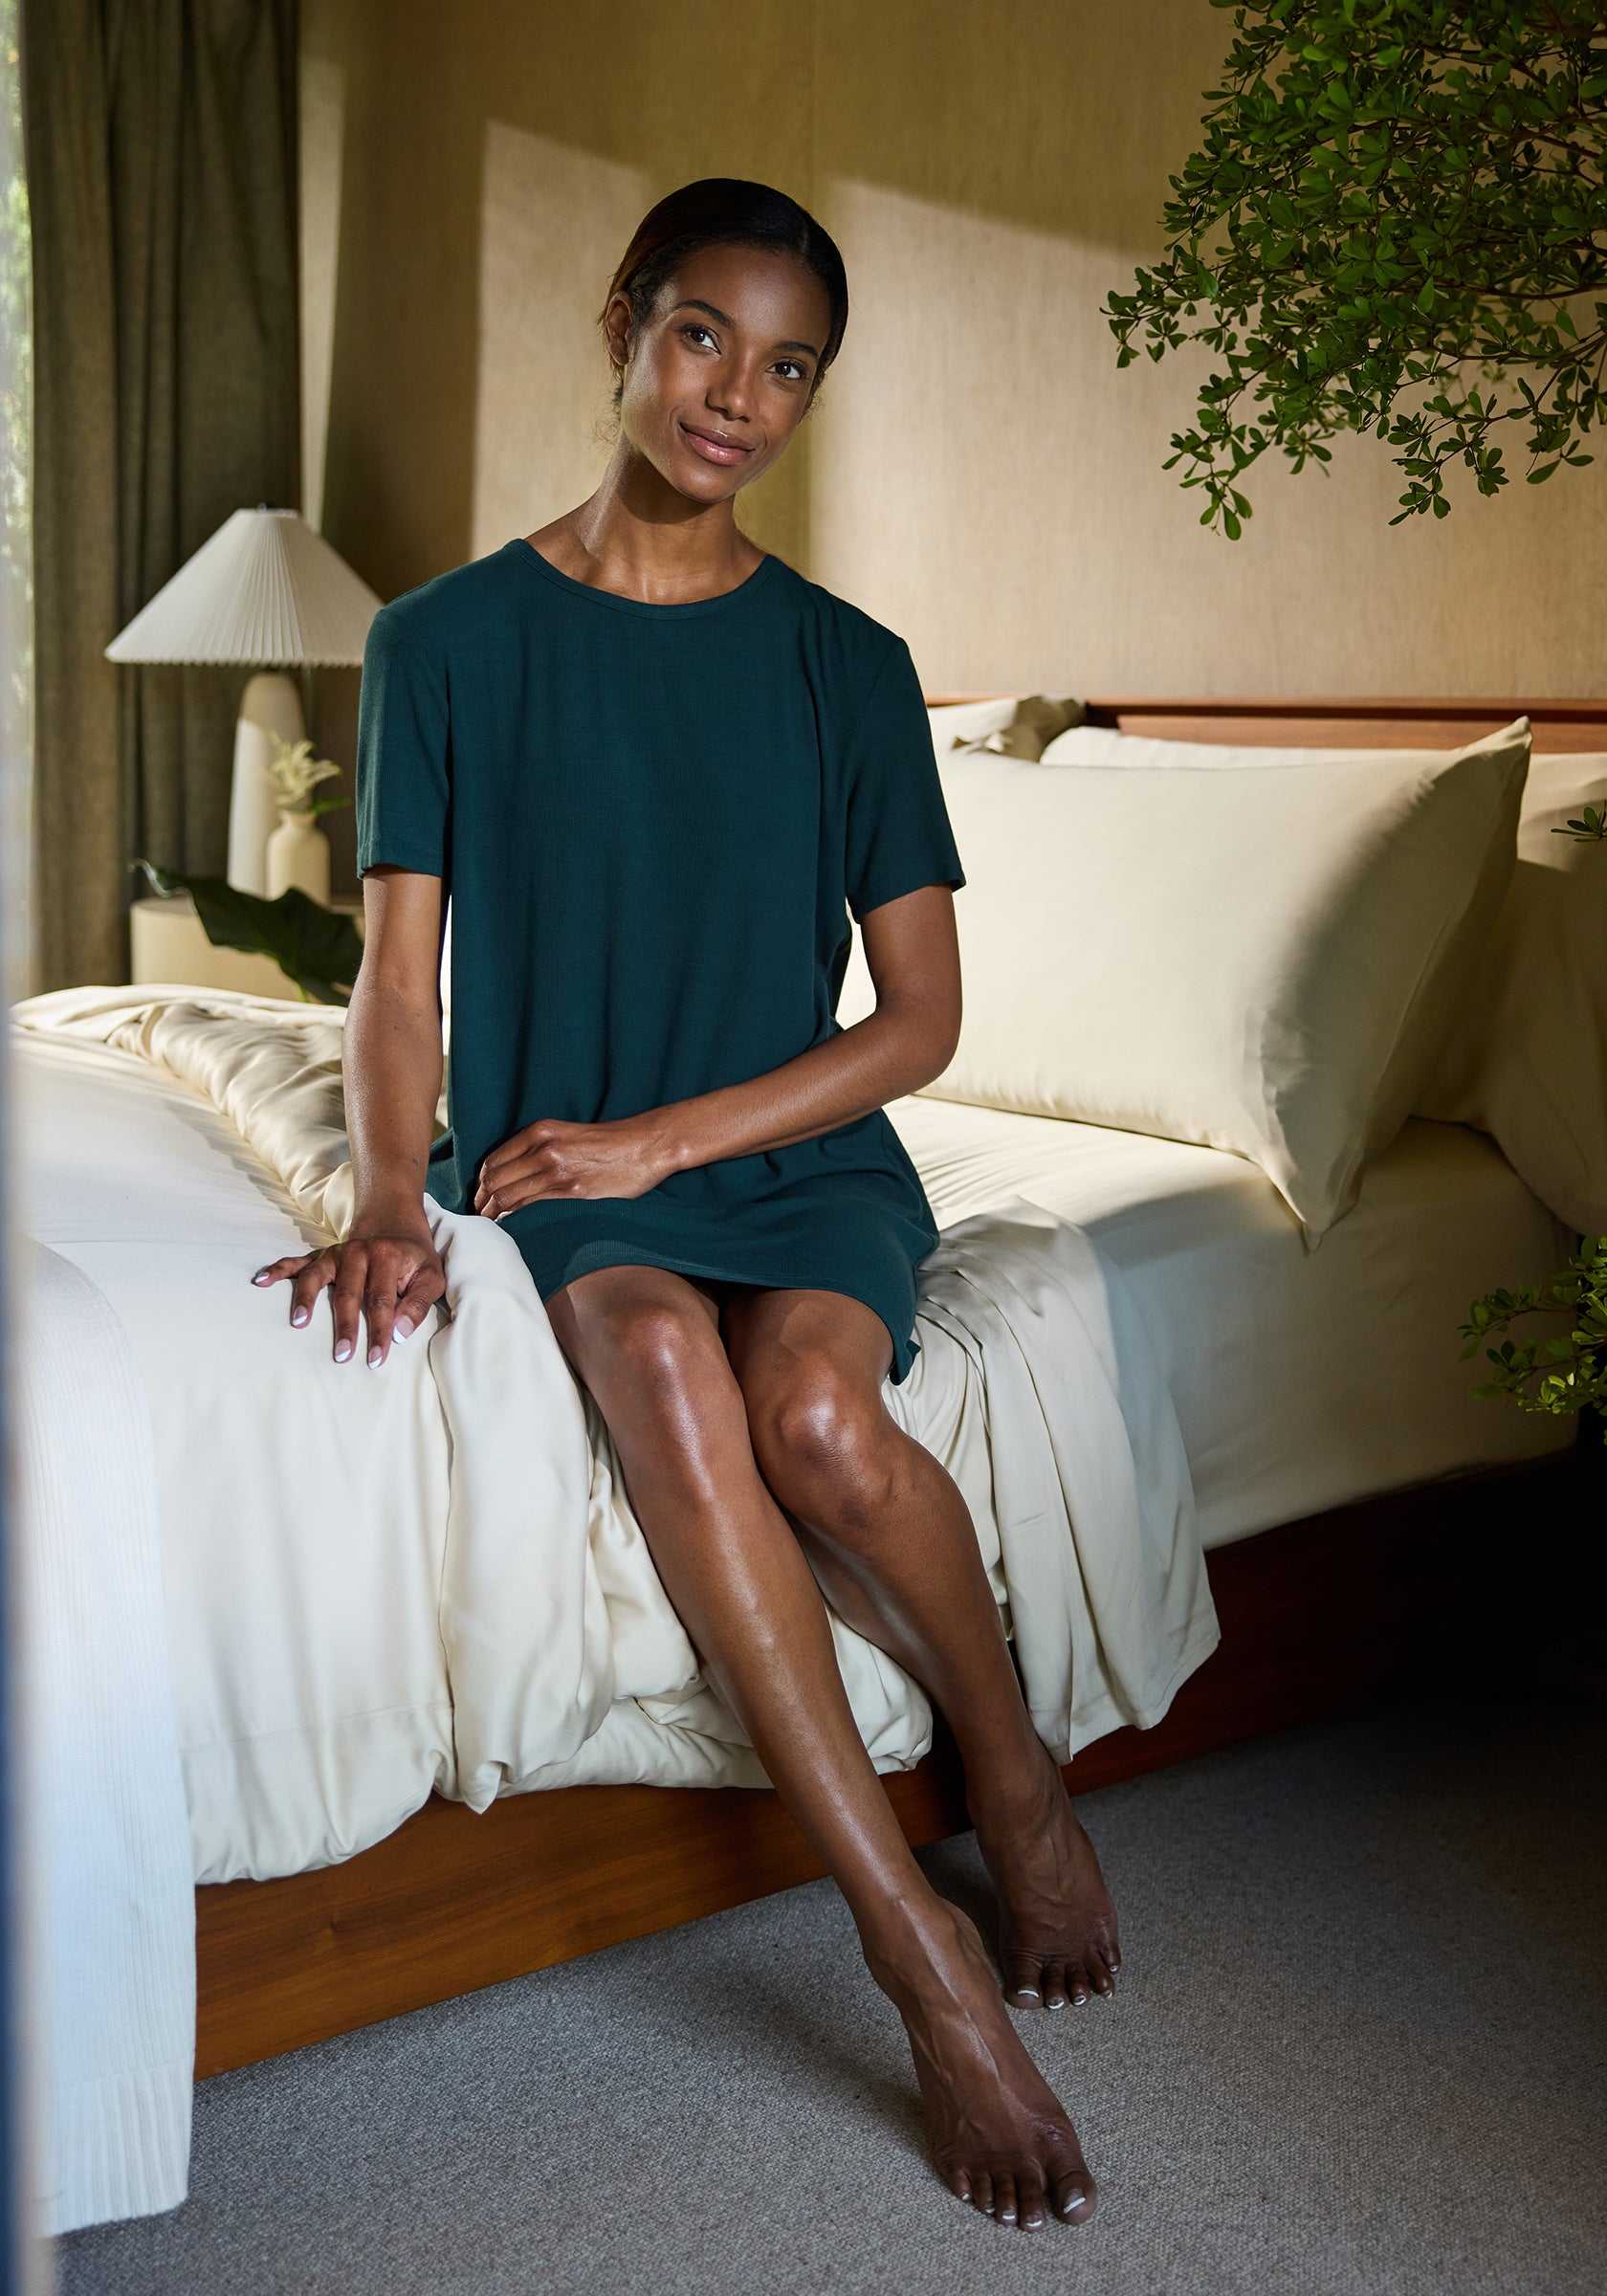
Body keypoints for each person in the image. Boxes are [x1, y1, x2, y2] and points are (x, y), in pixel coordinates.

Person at [253, 178, 1116, 2233]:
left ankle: (1011, 1762)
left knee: (820, 1421)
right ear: (626, 322)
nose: (742, 393)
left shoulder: (847, 665)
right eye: (708, 336)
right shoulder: (444, 640)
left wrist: (669, 1144)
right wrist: (390, 1186)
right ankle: (912, 1949)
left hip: (791, 1157)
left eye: (792, 364)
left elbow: (919, 1023)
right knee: (646, 1345)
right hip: (559, 1159)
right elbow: (395, 979)